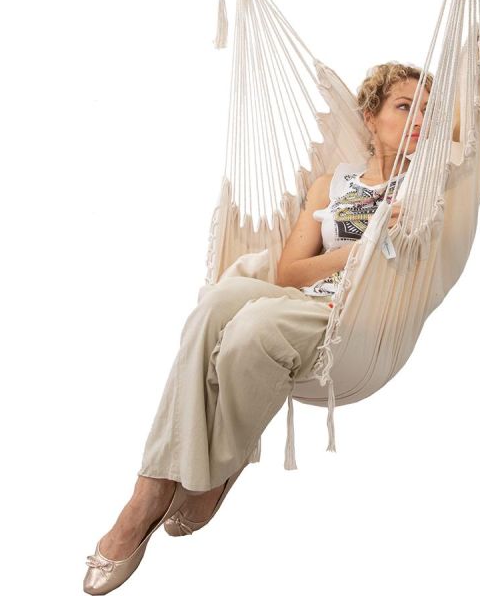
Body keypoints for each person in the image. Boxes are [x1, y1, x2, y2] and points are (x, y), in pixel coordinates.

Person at [83, 62, 432, 595]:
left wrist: (358, 256)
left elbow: (456, 153)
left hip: (350, 316)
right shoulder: (331, 185)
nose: (419, 119)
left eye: (428, 110)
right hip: (301, 298)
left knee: (253, 328)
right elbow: (289, 272)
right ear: (370, 116)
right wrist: (357, 251)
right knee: (215, 305)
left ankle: (194, 479)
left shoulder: (426, 191)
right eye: (405, 106)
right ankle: (154, 486)